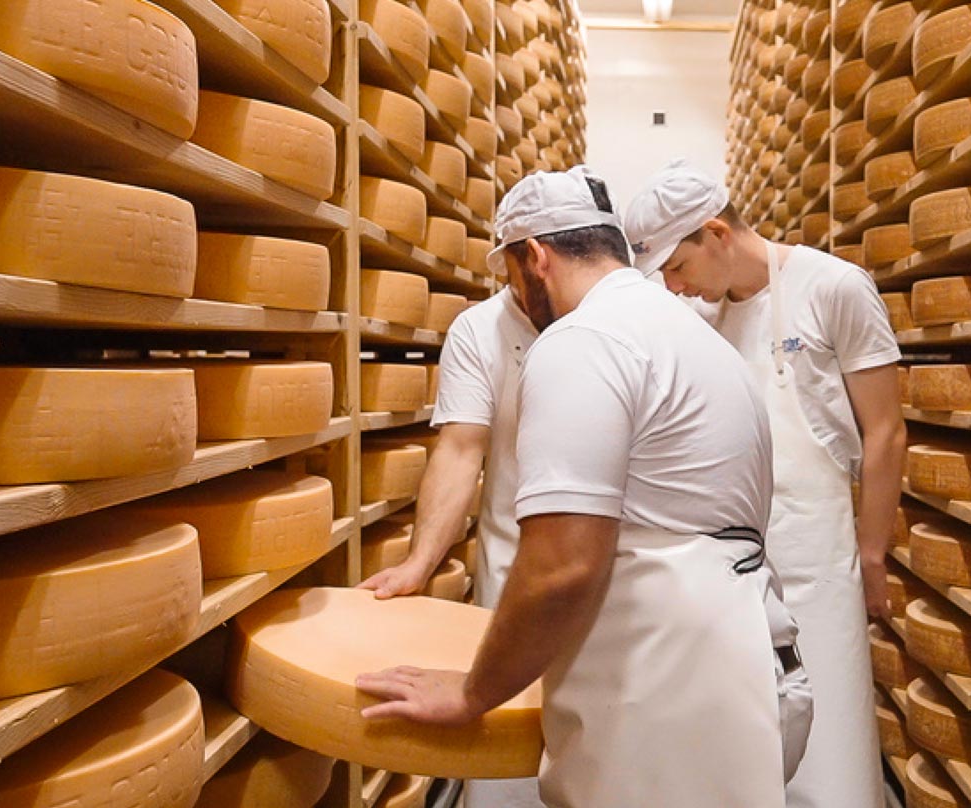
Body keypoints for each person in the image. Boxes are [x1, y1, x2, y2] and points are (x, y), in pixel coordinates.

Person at [356, 167, 802, 808]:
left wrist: (472, 693)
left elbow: (564, 564)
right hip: (740, 655)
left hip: (655, 680)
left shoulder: (582, 341)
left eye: (511, 272)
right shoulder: (693, 337)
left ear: (534, 256)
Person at [622, 161, 906, 808]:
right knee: (743, 745)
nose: (673, 287)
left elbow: (886, 430)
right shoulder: (703, 319)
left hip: (817, 555)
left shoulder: (833, 287)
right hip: (729, 564)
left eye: (677, 267)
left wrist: (871, 551)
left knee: (829, 733)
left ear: (716, 233)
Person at [357, 271, 542, 808]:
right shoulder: (481, 329)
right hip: (515, 565)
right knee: (509, 765)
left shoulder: (627, 319)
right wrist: (419, 562)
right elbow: (461, 450)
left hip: (619, 578)